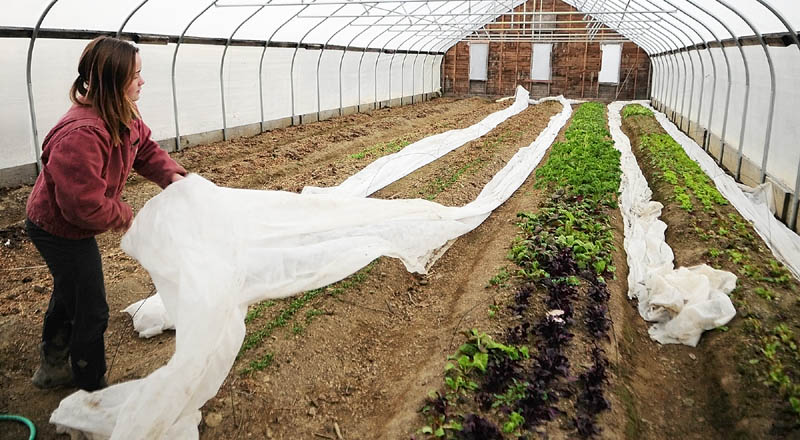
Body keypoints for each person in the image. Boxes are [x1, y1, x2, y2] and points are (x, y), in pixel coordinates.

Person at [25, 36, 187, 391]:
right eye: (135, 76)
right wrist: (126, 215)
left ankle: (52, 364)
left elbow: (142, 147)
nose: (142, 81)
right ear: (114, 83)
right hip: (57, 228)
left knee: (72, 289)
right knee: (92, 307)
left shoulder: (121, 112)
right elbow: (84, 205)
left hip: (71, 220)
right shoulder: (81, 135)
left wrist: (172, 177)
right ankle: (89, 384)